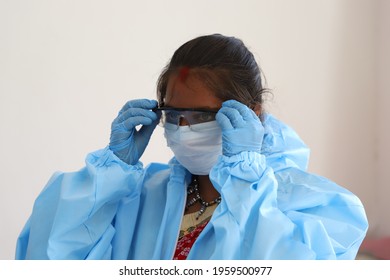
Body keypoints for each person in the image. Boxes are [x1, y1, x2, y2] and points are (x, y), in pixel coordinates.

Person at [16, 34, 368, 260]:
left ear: (252, 113)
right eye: (172, 114)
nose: (182, 130)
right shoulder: (138, 196)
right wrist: (106, 176)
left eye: (199, 116)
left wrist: (246, 182)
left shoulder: (318, 206)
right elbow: (48, 258)